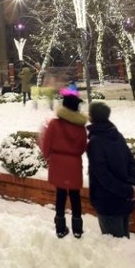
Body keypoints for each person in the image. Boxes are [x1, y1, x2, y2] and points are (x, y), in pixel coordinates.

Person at [87, 101, 135, 238]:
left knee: (115, 247)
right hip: (124, 200)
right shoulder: (116, 135)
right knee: (123, 243)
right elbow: (131, 162)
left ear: (92, 117)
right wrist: (131, 186)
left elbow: (103, 176)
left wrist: (129, 189)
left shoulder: (95, 142)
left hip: (108, 203)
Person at [40, 89, 88, 238]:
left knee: (60, 195)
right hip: (73, 164)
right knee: (75, 196)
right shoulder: (81, 127)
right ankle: (78, 229)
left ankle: (60, 228)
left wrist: (49, 157)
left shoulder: (54, 124)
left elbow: (46, 145)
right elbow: (82, 147)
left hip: (58, 163)